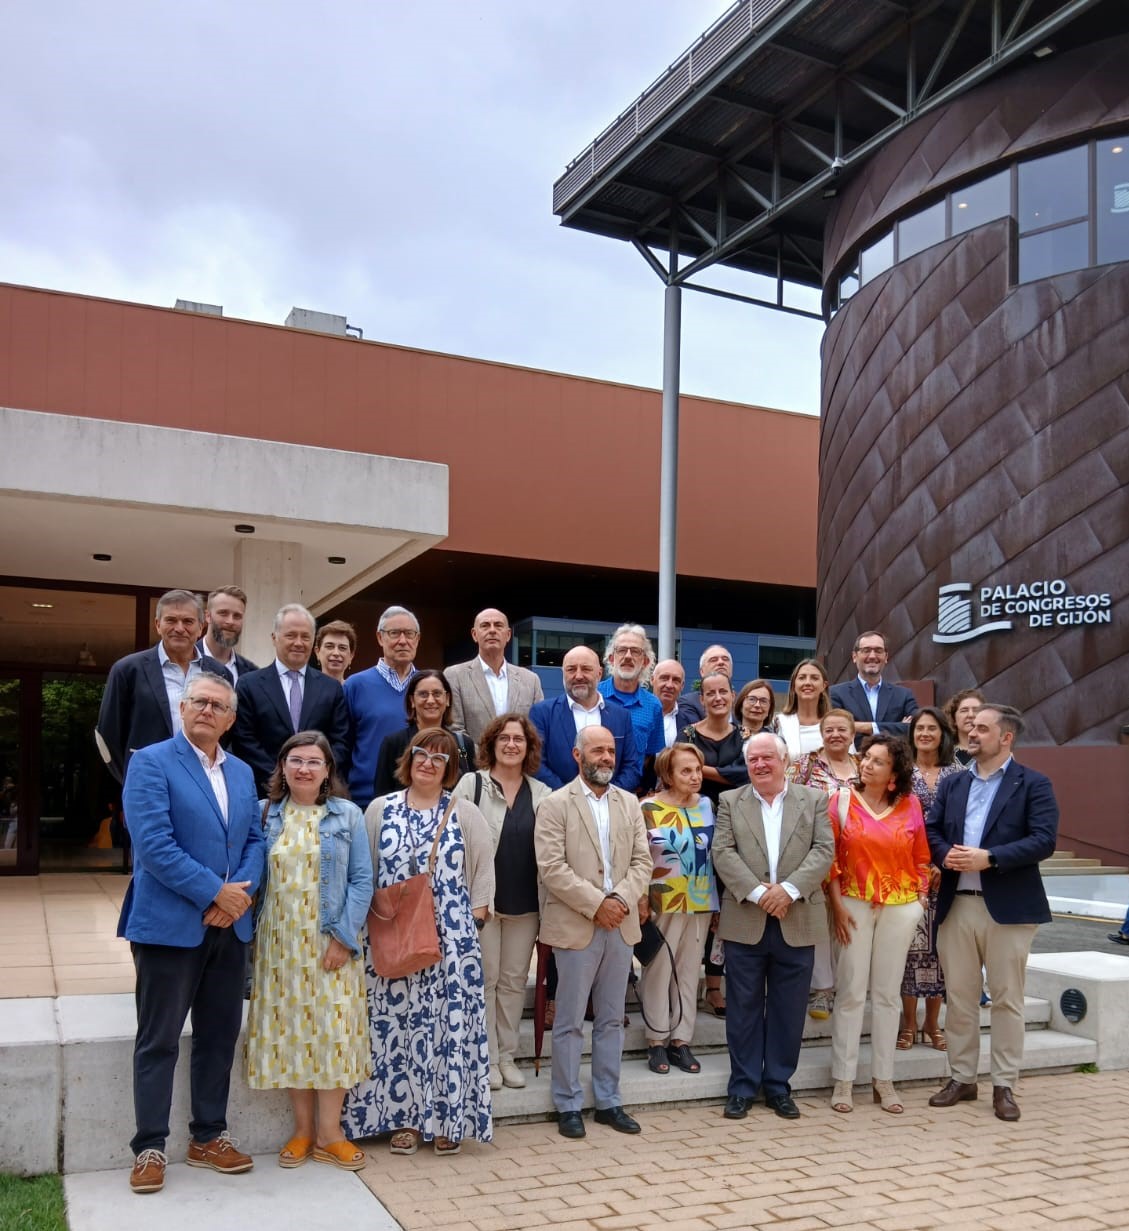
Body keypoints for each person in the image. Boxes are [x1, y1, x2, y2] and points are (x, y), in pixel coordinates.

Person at [117, 672, 265, 1194]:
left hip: (230, 927)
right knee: (158, 1040)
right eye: (198, 701)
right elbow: (154, 845)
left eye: (217, 705)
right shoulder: (150, 762)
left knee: (218, 1036)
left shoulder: (242, 772)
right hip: (169, 926)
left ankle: (208, 1136)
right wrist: (214, 893)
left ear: (230, 719)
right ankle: (150, 1147)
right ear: (182, 709)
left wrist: (238, 896)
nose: (207, 709)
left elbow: (255, 840)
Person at [343, 728, 494, 1155]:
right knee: (396, 1029)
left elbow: (483, 875)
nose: (428, 763)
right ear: (408, 759)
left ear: (450, 768)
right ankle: (404, 1120)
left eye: (439, 758)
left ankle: (447, 1119)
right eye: (421, 754)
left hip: (451, 942)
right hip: (392, 936)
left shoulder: (465, 812)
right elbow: (364, 871)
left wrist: (473, 924)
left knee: (447, 1030)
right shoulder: (379, 809)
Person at [926, 703, 1059, 1122]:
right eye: (971, 726)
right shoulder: (954, 782)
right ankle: (962, 1078)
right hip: (957, 905)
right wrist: (945, 854)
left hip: (1010, 909)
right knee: (960, 998)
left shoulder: (1033, 783)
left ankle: (1004, 1084)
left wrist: (991, 858)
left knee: (1007, 1000)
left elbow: (1044, 840)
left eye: (982, 728)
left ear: (1006, 737)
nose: (972, 732)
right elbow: (932, 829)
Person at [246, 731, 372, 1171]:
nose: (304, 769)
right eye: (295, 760)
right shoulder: (263, 814)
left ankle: (330, 1134)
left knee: (334, 1035)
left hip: (330, 942)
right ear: (282, 767)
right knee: (292, 1036)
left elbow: (362, 880)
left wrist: (343, 938)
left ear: (327, 770)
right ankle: (302, 1132)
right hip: (279, 947)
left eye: (313, 761)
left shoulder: (348, 815)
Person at [535, 725, 652, 1139]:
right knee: (568, 1021)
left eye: (610, 751)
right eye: (597, 750)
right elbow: (551, 868)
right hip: (575, 925)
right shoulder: (554, 804)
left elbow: (643, 861)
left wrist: (619, 900)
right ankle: (567, 1103)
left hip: (620, 924)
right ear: (577, 755)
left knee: (611, 1020)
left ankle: (608, 1101)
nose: (606, 757)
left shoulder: (629, 803)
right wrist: (597, 904)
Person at [713, 733, 834, 1121]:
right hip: (745, 918)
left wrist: (789, 891)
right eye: (753, 759)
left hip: (797, 917)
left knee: (789, 1009)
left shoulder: (813, 800)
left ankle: (779, 1086)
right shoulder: (729, 801)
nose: (760, 764)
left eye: (767, 757)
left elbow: (823, 851)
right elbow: (722, 852)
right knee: (742, 1008)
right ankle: (742, 1086)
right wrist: (756, 893)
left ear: (785, 761)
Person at [827, 734, 930, 1115]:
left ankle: (883, 1079)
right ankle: (844, 1079)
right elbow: (829, 859)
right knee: (851, 992)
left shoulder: (910, 804)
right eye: (866, 757)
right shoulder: (840, 801)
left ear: (894, 773)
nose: (867, 764)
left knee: (887, 995)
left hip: (900, 907)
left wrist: (919, 901)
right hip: (853, 904)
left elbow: (921, 856)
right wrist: (837, 906)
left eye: (878, 761)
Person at [453, 713, 551, 1091]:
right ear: (491, 744)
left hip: (526, 904)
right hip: (483, 905)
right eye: (504, 738)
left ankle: (507, 1056)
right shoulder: (471, 784)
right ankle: (488, 1059)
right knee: (486, 980)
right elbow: (454, 839)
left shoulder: (542, 793)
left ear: (529, 748)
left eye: (519, 739)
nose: (511, 745)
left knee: (512, 983)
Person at [638, 743, 718, 1076]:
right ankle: (656, 1040)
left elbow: (716, 855)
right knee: (658, 970)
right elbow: (638, 857)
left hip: (701, 900)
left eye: (698, 769)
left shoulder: (707, 805)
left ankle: (681, 1040)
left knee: (687, 972)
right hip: (662, 900)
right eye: (686, 771)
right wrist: (640, 899)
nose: (695, 776)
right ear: (668, 775)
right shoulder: (647, 807)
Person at [96, 589, 231, 784]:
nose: (179, 628)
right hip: (148, 781)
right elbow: (109, 736)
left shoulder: (219, 673)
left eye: (188, 621)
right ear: (158, 625)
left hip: (204, 782)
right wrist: (133, 780)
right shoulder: (128, 670)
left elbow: (225, 731)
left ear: (201, 627)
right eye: (171, 620)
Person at [680, 671, 746, 1017]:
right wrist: (726, 772)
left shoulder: (747, 735)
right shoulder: (688, 734)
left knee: (728, 904)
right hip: (696, 826)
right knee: (701, 901)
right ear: (702, 699)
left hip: (738, 826)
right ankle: (687, 981)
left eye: (723, 691)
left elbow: (745, 774)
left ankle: (716, 985)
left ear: (732, 694)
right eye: (710, 693)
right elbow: (676, 767)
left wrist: (701, 769)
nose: (718, 698)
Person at [788, 708, 860, 1021]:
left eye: (842, 729)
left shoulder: (864, 765)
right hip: (814, 854)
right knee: (818, 919)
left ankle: (847, 988)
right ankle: (821, 989)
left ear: (852, 734)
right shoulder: (805, 764)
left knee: (847, 921)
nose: (835, 735)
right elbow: (788, 801)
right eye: (829, 729)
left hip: (856, 858)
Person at [232, 604, 351, 795]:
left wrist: (316, 775)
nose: (298, 642)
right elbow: (244, 741)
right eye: (291, 635)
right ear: (274, 638)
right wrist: (281, 778)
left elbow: (341, 741)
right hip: (265, 792)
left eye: (305, 637)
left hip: (319, 794)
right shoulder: (249, 685)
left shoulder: (331, 688)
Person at [899, 707, 962, 1053]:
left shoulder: (958, 772)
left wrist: (942, 862)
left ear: (943, 734)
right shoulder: (901, 772)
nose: (924, 733)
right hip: (907, 872)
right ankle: (908, 1023)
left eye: (931, 728)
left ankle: (932, 1023)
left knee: (940, 951)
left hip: (946, 873)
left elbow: (964, 822)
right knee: (910, 949)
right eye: (919, 728)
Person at [528, 646, 640, 791]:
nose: (578, 676)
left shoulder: (621, 716)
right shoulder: (542, 713)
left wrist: (606, 797)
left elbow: (631, 767)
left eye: (586, 669)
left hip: (610, 801)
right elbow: (536, 764)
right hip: (558, 801)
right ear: (563, 674)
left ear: (599, 674)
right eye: (571, 669)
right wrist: (569, 797)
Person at [344, 606, 420, 810]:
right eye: (394, 633)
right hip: (365, 801)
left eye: (409, 634)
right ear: (380, 638)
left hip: (421, 801)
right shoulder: (355, 685)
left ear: (417, 639)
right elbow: (343, 747)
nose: (403, 640)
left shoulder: (428, 688)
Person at [446, 608, 544, 743]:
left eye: (498, 625)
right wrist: (478, 755)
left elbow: (537, 731)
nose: (492, 630)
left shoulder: (531, 680)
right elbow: (455, 731)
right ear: (474, 634)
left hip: (519, 756)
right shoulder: (454, 676)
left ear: (508, 635)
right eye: (485, 625)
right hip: (472, 757)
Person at [373, 669, 475, 797]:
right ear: (412, 700)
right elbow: (382, 796)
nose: (431, 700)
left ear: (447, 699)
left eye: (437, 694)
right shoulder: (393, 744)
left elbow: (473, 793)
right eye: (423, 694)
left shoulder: (464, 744)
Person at [598, 624, 666, 782]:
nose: (628, 656)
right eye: (622, 650)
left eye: (635, 651)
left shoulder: (653, 706)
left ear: (645, 661)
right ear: (611, 658)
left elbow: (649, 756)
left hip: (630, 789)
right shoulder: (594, 695)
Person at [829, 631, 918, 737]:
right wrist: (897, 727)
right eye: (866, 650)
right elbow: (835, 728)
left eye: (878, 650)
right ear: (854, 656)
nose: (872, 656)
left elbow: (915, 727)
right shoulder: (835, 693)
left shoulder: (903, 695)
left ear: (886, 657)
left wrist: (864, 727)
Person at [198, 586, 256, 684]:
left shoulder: (251, 672)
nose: (230, 621)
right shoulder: (185, 661)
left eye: (237, 616)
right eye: (223, 613)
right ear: (208, 616)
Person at [776, 658, 832, 762]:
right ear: (794, 685)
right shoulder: (779, 723)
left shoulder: (835, 724)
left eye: (814, 678)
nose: (807, 682)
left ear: (824, 686)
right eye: (802, 678)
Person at [652, 659, 699, 748]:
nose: (669, 685)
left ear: (682, 686)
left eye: (676, 680)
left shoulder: (691, 724)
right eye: (664, 678)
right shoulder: (637, 715)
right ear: (652, 680)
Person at [680, 644, 734, 721]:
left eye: (725, 659)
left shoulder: (742, 702)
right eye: (713, 660)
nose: (721, 662)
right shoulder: (688, 703)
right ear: (702, 671)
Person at [945, 688, 987, 766]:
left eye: (976, 710)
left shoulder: (995, 753)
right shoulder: (942, 755)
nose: (970, 715)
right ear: (953, 719)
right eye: (964, 710)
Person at [315, 620, 357, 684]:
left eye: (342, 648)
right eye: (329, 646)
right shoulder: (304, 688)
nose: (336, 653)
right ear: (317, 652)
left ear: (351, 656)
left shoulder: (356, 689)